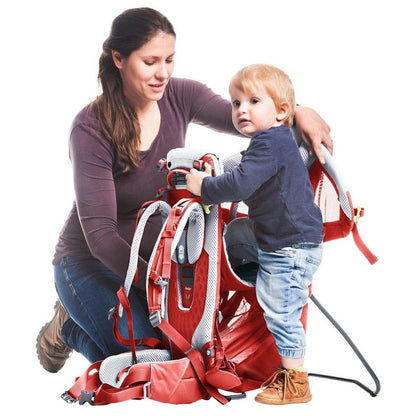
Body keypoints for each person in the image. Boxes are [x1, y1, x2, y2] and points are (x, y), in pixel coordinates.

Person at [36, 7, 331, 374]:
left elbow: (248, 119)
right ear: (119, 59)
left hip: (158, 256)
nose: (163, 73)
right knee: (143, 363)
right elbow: (100, 237)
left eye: (169, 60)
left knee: (177, 357)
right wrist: (158, 288)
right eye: (150, 62)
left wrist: (300, 112)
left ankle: (92, 319)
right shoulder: (90, 128)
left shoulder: (179, 95)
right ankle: (68, 325)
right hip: (89, 261)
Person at [186, 64, 323, 405]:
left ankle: (296, 382)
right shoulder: (274, 141)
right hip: (287, 240)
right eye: (235, 103)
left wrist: (205, 187)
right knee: (276, 300)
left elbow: (240, 184)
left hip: (289, 245)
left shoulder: (269, 142)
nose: (241, 109)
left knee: (281, 312)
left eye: (253, 101)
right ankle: (287, 371)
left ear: (281, 111)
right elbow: (246, 174)